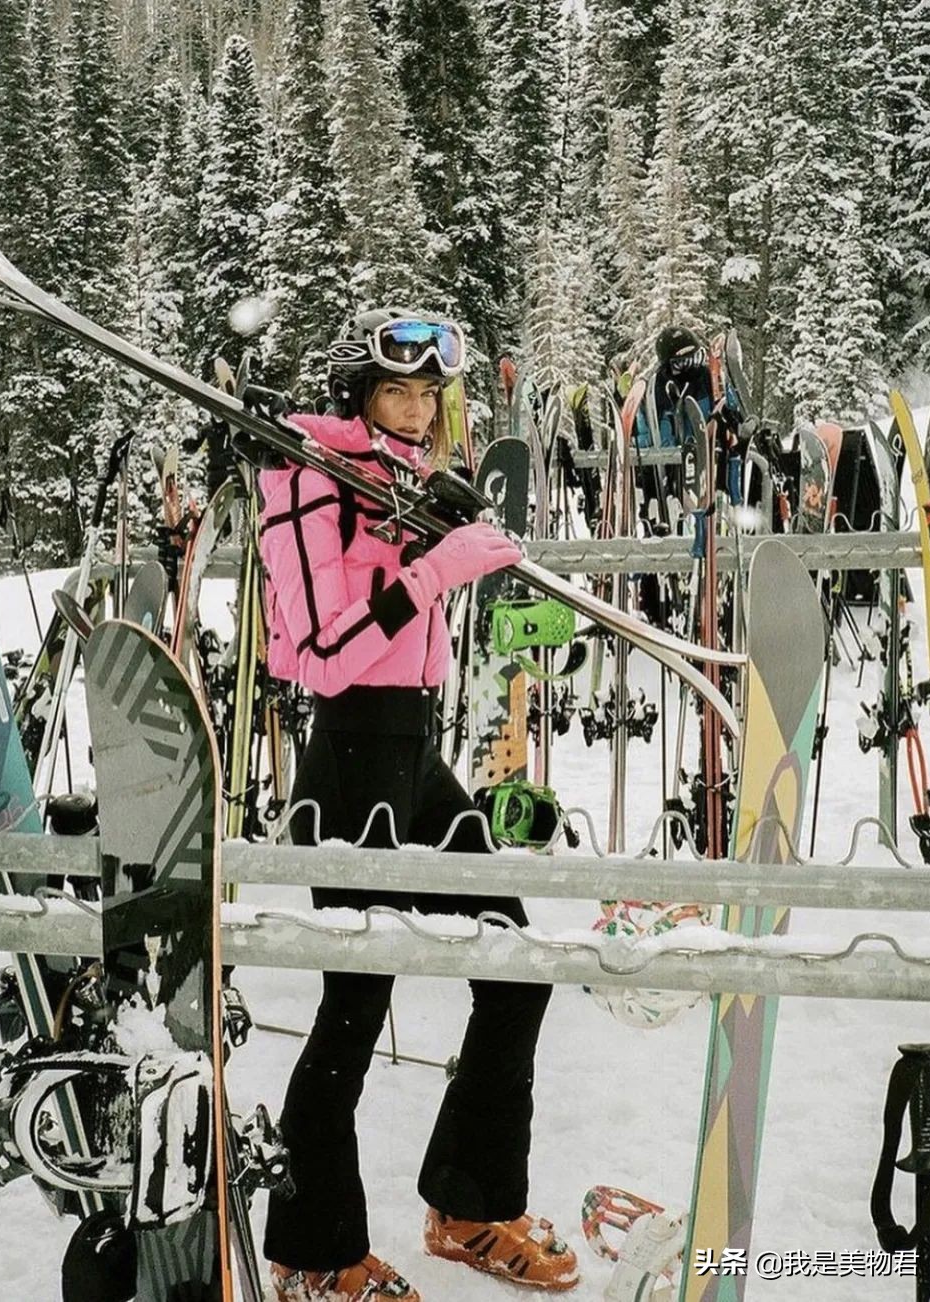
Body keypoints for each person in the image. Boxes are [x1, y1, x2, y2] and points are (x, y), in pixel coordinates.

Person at [258, 308, 579, 1301]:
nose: (414, 409)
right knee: (356, 1009)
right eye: (395, 390)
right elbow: (322, 652)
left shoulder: (401, 481)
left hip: (415, 755)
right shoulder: (308, 480)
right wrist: (436, 569)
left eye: (428, 394)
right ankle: (313, 1251)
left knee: (515, 965)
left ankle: (468, 1204)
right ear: (359, 395)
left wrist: (443, 529)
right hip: (350, 763)